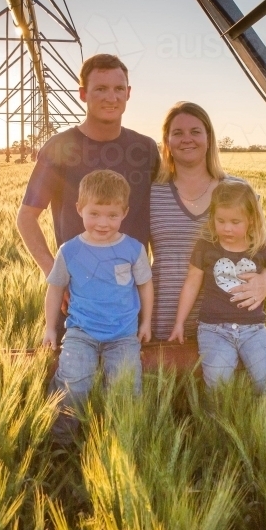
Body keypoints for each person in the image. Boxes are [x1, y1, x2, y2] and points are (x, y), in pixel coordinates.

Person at [18, 54, 159, 339]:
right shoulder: (59, 147)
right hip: (78, 298)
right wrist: (56, 275)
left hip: (130, 299)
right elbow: (26, 217)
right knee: (73, 377)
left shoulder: (145, 149)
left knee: (130, 377)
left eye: (119, 89)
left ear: (129, 93)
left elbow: (158, 213)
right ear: (83, 93)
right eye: (100, 89)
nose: (111, 97)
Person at [43, 169, 153, 440]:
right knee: (74, 384)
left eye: (112, 215)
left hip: (124, 335)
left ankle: (120, 440)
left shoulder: (133, 249)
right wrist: (50, 328)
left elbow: (145, 286)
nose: (103, 223)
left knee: (125, 388)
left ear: (124, 213)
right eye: (94, 214)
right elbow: (55, 289)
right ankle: (61, 440)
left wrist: (147, 321)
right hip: (82, 332)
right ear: (79, 208)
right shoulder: (69, 251)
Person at [150, 102, 266, 341]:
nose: (187, 139)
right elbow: (130, 255)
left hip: (233, 326)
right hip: (165, 324)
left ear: (209, 138)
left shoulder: (239, 191)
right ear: (167, 142)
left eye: (195, 131)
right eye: (178, 133)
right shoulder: (152, 194)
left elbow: (265, 250)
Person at [168, 180, 266, 393]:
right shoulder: (205, 247)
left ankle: (265, 424)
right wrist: (179, 322)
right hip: (213, 330)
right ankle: (216, 425)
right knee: (217, 387)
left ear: (251, 219)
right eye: (220, 220)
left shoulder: (263, 248)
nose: (227, 228)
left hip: (254, 330)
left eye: (235, 222)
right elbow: (192, 282)